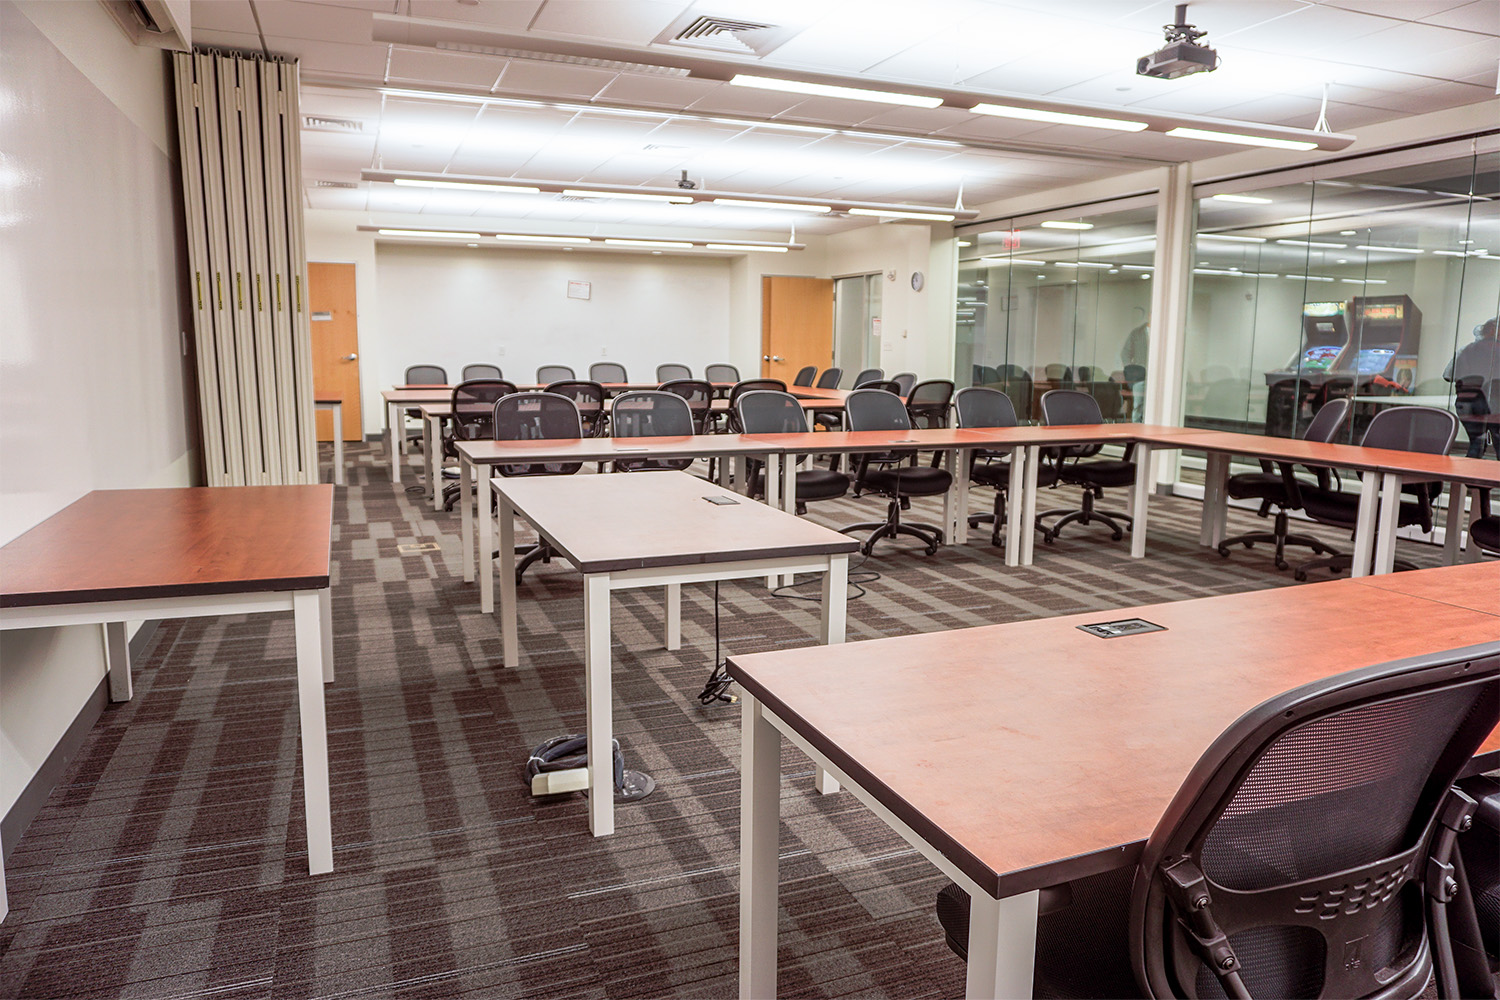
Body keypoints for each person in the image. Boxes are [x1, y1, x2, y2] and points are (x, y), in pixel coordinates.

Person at [1444, 318, 1500, 458]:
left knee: (1476, 443)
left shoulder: (1467, 349)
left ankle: (1469, 479)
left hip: (1467, 403)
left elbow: (1448, 375)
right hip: (1494, 405)